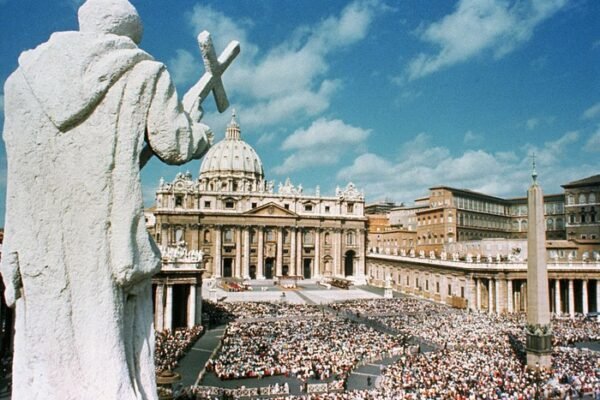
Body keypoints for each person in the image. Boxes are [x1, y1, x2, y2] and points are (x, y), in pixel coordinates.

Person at [0, 0, 223, 399]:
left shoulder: (19, 82)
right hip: (102, 235)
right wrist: (199, 129)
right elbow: (175, 142)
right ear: (129, 35)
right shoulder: (142, 70)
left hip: (38, 239)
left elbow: (18, 168)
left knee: (46, 346)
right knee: (105, 342)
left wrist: (12, 247)